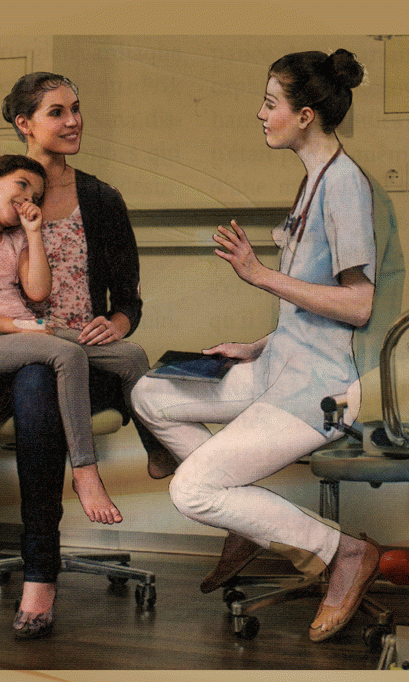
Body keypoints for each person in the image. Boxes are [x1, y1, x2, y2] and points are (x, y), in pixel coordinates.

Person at [0, 72, 175, 647]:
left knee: (39, 380)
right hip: (8, 353)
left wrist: (117, 323)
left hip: (80, 359)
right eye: (58, 112)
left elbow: (128, 298)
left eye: (77, 109)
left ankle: (40, 573)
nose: (74, 121)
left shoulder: (101, 200)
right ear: (23, 123)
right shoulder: (3, 198)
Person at [131, 49, 383, 643]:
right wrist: (256, 345)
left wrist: (259, 275)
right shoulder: (312, 179)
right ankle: (247, 520)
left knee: (192, 489)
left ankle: (345, 553)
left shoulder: (344, 185)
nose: (261, 114)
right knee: (148, 393)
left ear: (305, 115)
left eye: (271, 104)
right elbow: (311, 305)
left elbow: (359, 304)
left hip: (322, 389)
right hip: (281, 366)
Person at [0, 152, 128, 526]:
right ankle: (85, 472)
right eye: (22, 185)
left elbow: (37, 291)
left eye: (36, 197)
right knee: (68, 355)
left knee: (130, 356)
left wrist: (34, 234)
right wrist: (19, 326)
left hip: (26, 331)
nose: (27, 200)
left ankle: (160, 452)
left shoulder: (17, 239)